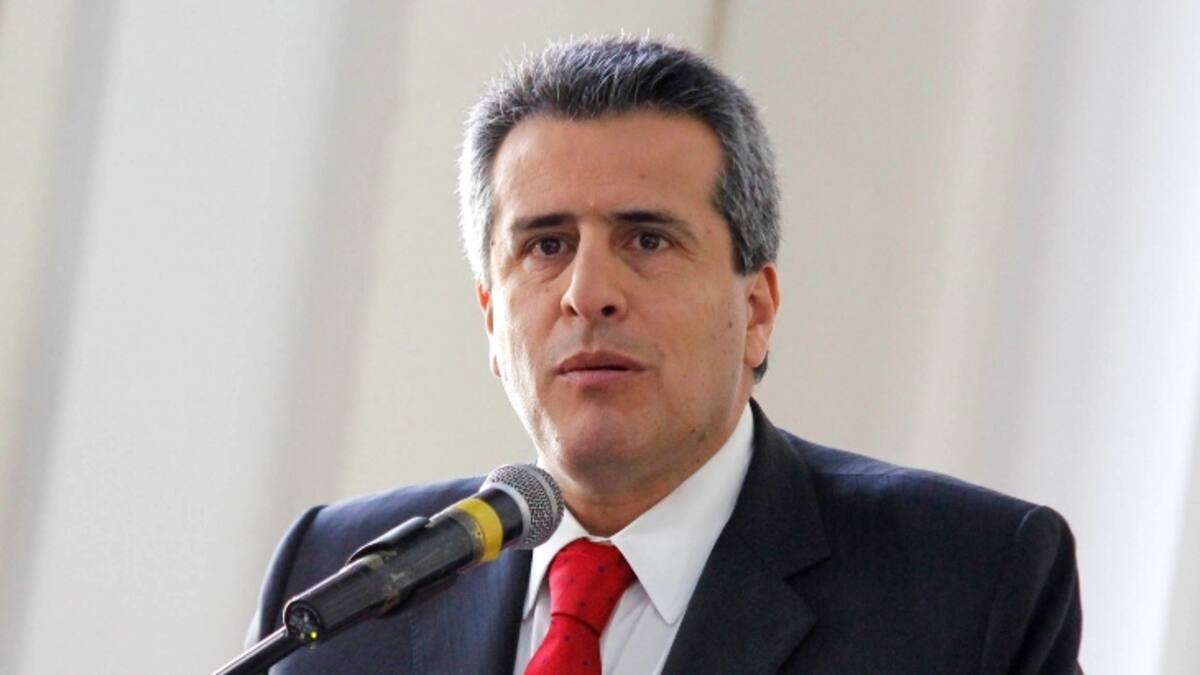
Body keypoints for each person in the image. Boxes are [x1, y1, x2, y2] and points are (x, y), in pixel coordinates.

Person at [248, 36, 1082, 674]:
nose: (588, 293)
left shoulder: (969, 583)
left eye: (647, 239)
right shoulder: (340, 578)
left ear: (756, 309)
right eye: (545, 245)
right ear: (490, 318)